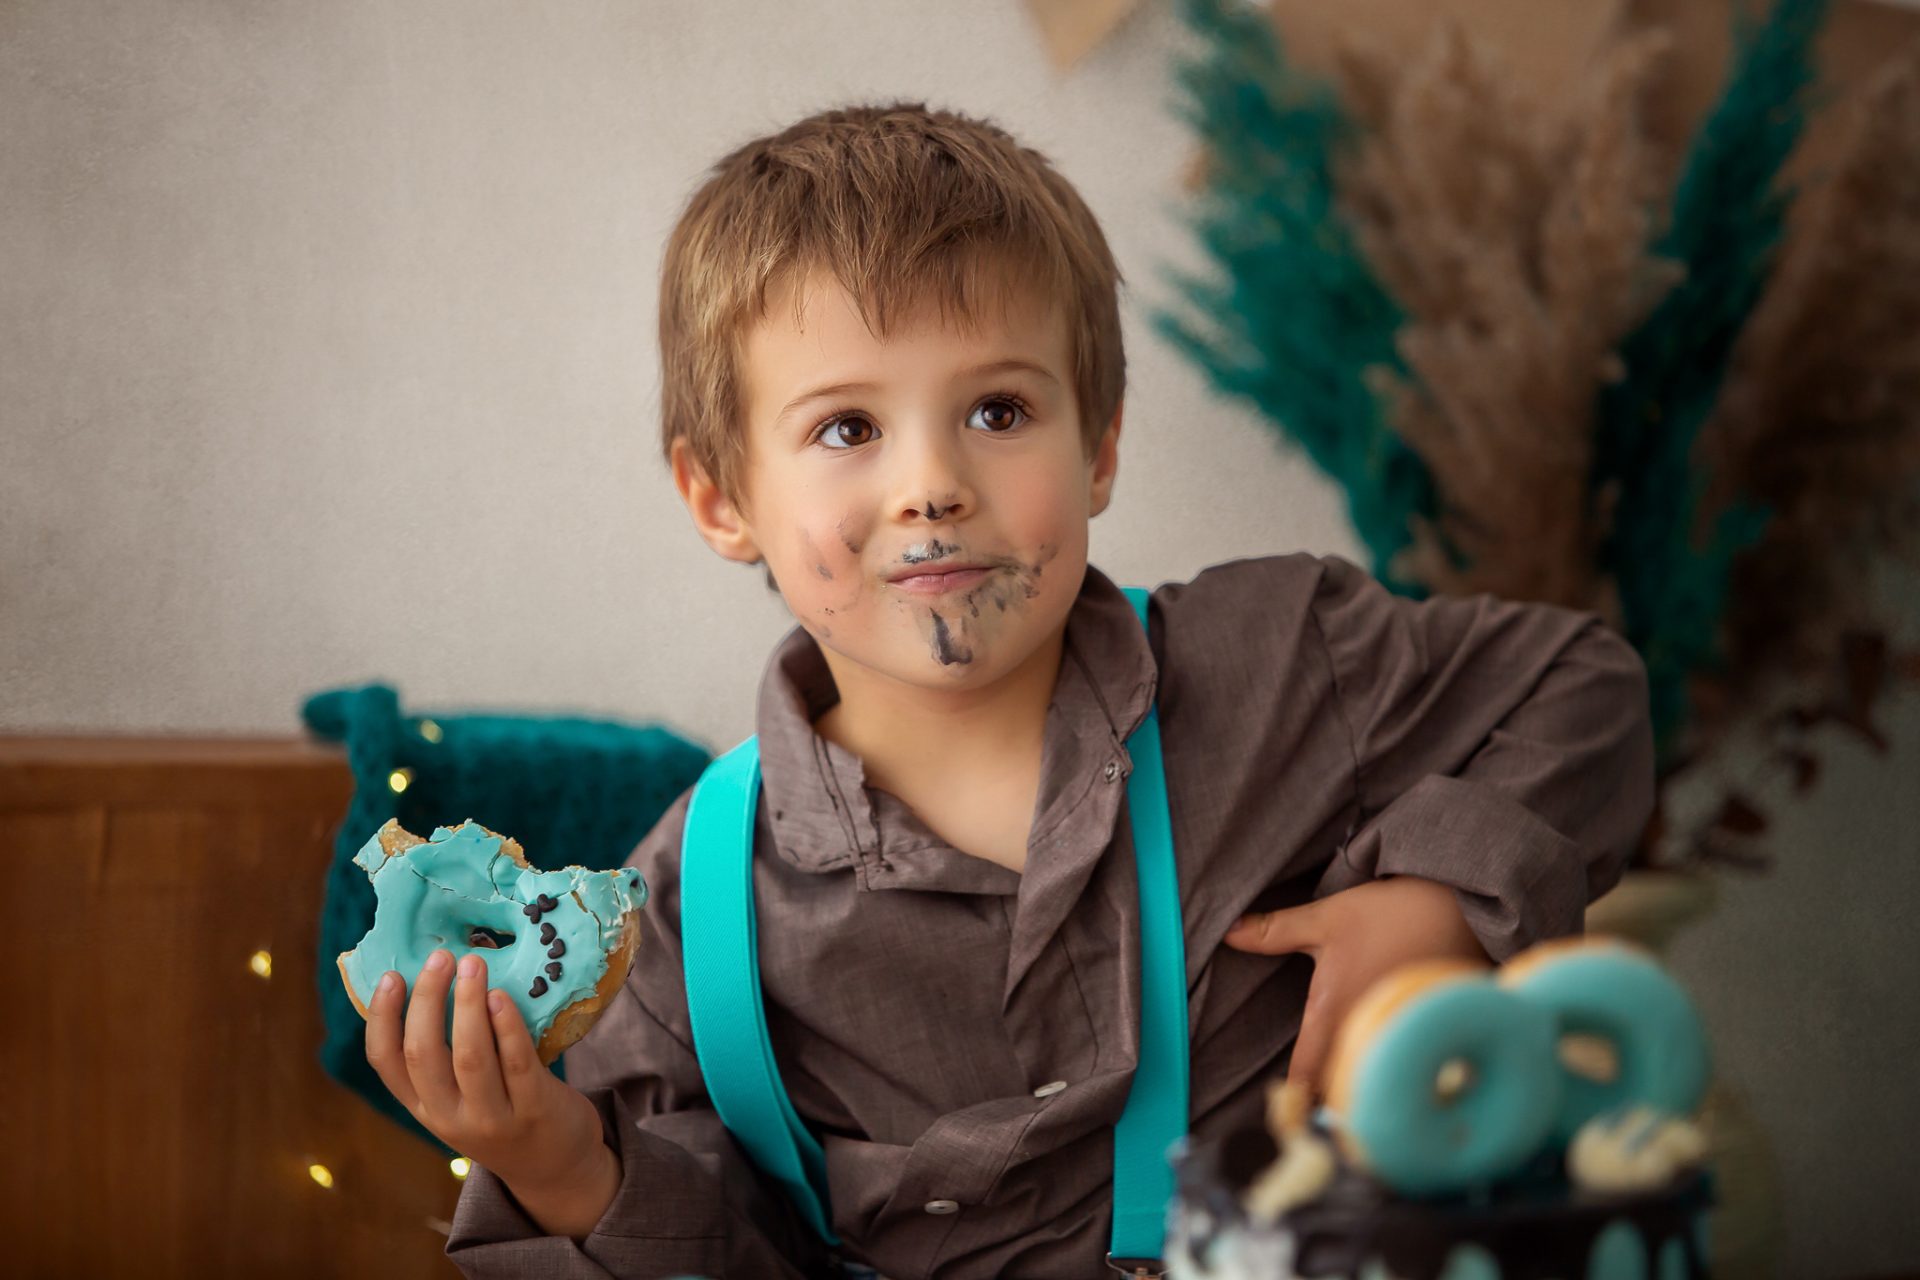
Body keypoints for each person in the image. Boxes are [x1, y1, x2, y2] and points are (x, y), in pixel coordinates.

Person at [360, 100, 1655, 1278]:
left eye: (994, 411)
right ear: (721, 498)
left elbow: (1578, 689)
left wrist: (1437, 902)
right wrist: (553, 1158)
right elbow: (728, 1257)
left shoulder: (1279, 662)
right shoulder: (691, 918)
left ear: (1097, 447)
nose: (931, 485)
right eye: (847, 429)